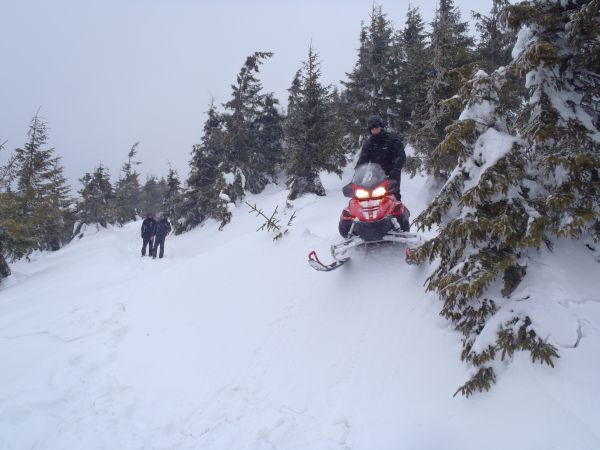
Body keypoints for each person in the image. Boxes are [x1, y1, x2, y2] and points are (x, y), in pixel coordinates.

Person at [355, 115, 406, 197]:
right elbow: (362, 160)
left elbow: (401, 156)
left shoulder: (392, 139)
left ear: (381, 125)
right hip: (376, 174)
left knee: (393, 196)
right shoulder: (369, 143)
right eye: (371, 127)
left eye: (376, 126)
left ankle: (397, 202)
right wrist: (357, 177)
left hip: (392, 174)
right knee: (371, 197)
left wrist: (396, 169)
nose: (374, 128)